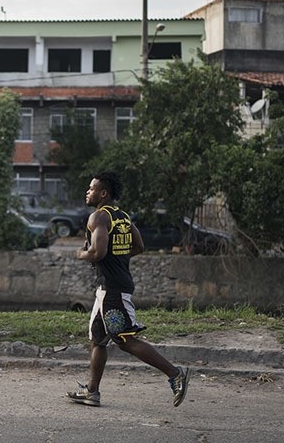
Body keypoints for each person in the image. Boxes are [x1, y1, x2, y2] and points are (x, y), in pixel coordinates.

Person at [67, 171, 190, 408]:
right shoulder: (122, 216)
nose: (87, 191)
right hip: (108, 290)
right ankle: (92, 392)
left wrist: (82, 254)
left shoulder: (98, 218)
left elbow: (97, 253)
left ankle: (175, 375)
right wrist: (116, 258)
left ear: (103, 193)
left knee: (125, 340)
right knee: (97, 340)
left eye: (91, 188)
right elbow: (139, 246)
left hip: (113, 291)